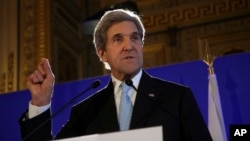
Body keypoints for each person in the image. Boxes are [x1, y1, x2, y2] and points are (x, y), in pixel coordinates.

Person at [19, 9, 213, 141]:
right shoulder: (86, 111)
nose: (129, 46)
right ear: (102, 53)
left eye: (135, 38)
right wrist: (41, 102)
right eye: (118, 39)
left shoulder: (176, 98)